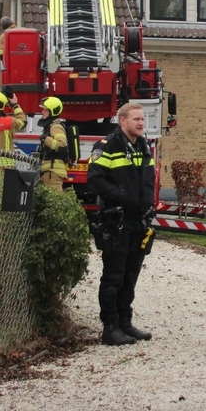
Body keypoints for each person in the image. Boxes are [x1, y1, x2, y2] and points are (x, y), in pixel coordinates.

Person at [87, 102, 156, 346]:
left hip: (138, 220)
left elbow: (148, 180)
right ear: (122, 121)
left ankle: (125, 322)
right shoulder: (107, 145)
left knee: (131, 274)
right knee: (114, 275)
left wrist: (149, 206)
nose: (141, 123)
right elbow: (94, 180)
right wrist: (123, 197)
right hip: (117, 220)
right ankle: (110, 327)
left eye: (142, 119)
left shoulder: (143, 146)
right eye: (136, 119)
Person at [37, 96, 68, 191]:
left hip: (53, 171)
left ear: (53, 111)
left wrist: (45, 139)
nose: (42, 112)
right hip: (50, 170)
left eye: (45, 110)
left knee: (54, 198)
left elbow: (62, 145)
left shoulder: (55, 127)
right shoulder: (51, 126)